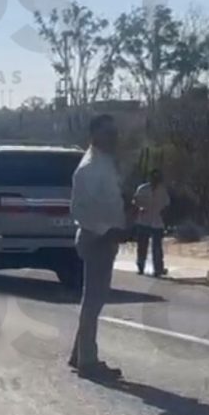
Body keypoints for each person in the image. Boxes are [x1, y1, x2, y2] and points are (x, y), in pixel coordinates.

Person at [67, 114, 127, 380]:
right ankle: (88, 361)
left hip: (106, 237)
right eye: (107, 132)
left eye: (114, 131)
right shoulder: (90, 167)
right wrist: (108, 231)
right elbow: (81, 209)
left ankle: (78, 354)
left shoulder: (105, 163)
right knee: (93, 300)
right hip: (96, 238)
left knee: (93, 298)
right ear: (94, 135)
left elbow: (108, 202)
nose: (113, 136)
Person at [133, 169, 170, 277]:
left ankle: (158, 269)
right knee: (142, 246)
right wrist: (139, 208)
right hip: (143, 221)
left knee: (157, 247)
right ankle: (141, 266)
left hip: (157, 222)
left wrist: (164, 215)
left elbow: (167, 204)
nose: (155, 180)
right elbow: (135, 201)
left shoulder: (162, 190)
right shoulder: (142, 189)